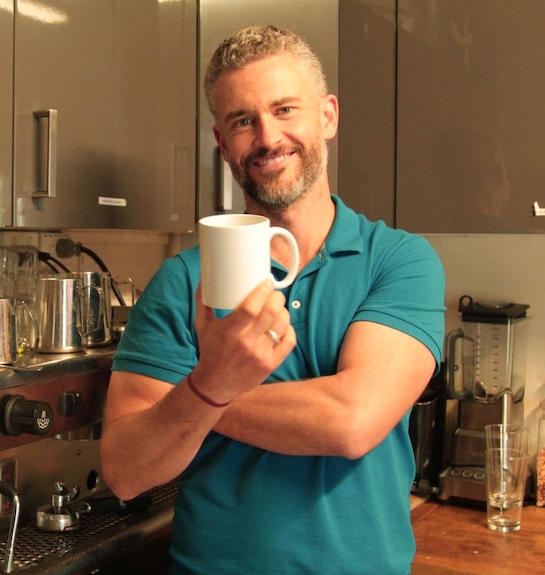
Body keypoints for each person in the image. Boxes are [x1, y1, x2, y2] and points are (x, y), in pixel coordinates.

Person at [100, 25, 445, 575]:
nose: (267, 137)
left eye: (285, 109)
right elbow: (125, 471)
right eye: (243, 120)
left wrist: (202, 393)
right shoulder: (181, 281)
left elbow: (350, 422)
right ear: (222, 141)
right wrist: (208, 387)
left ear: (327, 116)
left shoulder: (399, 261)